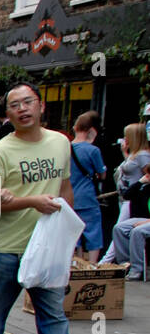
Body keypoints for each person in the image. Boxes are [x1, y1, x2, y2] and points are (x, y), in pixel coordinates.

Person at [0, 82, 88, 334]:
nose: (23, 109)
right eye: (15, 105)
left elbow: (65, 189)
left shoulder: (60, 143)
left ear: (41, 106)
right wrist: (30, 201)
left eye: (28, 102)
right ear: (7, 113)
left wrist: (70, 233)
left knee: (53, 314)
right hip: (9, 246)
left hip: (49, 247)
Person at [98, 122, 150, 278]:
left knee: (136, 230)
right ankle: (124, 263)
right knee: (119, 228)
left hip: (133, 199)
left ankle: (134, 268)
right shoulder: (136, 154)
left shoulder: (143, 156)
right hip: (127, 196)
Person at [70, 111, 108, 262]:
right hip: (87, 197)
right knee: (93, 231)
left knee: (74, 232)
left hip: (70, 197)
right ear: (92, 130)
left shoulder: (66, 148)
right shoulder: (93, 150)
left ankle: (77, 262)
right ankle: (92, 265)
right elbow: (102, 174)